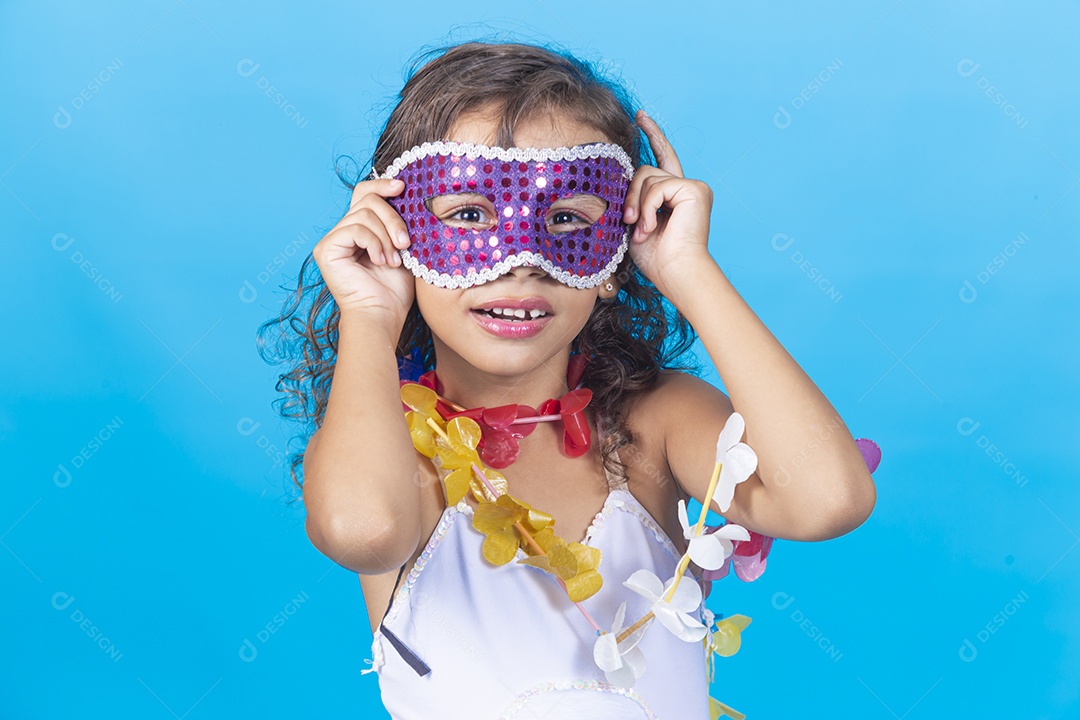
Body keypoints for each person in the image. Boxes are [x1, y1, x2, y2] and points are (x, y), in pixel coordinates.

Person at [259, 40, 878, 719]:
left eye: (567, 221)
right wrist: (370, 316)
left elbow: (828, 499)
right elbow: (361, 531)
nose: (521, 259)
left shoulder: (654, 425)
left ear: (616, 250)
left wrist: (686, 270)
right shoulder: (387, 452)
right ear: (397, 235)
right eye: (468, 215)